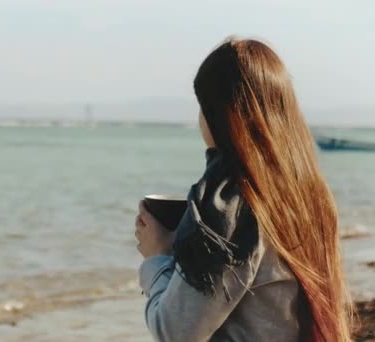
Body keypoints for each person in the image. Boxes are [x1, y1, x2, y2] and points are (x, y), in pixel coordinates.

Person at [134, 38, 353, 342]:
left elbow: (177, 331)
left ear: (220, 115)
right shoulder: (304, 191)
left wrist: (155, 258)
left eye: (203, 106)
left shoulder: (230, 204)